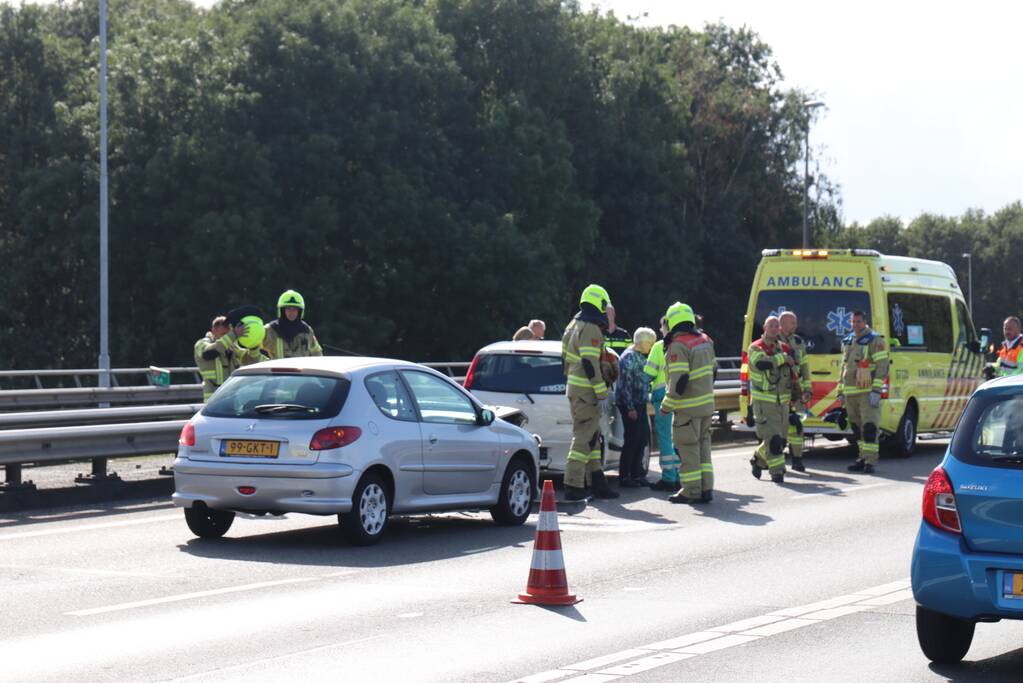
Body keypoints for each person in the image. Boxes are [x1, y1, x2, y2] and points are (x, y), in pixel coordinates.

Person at [562, 284, 618, 501]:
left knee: (592, 438)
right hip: (587, 390)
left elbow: (566, 360)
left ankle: (597, 483)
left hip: (576, 389)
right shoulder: (591, 327)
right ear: (600, 304)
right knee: (584, 437)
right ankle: (573, 484)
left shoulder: (573, 325)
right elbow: (589, 362)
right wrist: (601, 392)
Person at [660, 303, 717, 504]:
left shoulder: (678, 345)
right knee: (703, 447)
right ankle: (707, 488)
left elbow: (679, 380)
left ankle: (691, 490)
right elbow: (714, 371)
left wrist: (667, 405)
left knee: (688, 448)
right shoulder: (705, 340)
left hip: (688, 409)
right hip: (707, 406)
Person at [747, 315, 797, 483]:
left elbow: (793, 369)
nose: (775, 328)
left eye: (777, 326)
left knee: (781, 439)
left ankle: (758, 459)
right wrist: (783, 358)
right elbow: (762, 364)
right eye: (771, 325)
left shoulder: (783, 347)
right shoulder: (755, 347)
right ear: (764, 328)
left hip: (782, 401)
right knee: (774, 440)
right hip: (764, 402)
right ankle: (777, 472)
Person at [839, 310, 889, 473]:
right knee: (856, 428)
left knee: (869, 427)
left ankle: (870, 461)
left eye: (858, 321)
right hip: (850, 393)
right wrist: (840, 391)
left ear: (865, 322)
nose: (855, 325)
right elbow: (843, 368)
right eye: (853, 322)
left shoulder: (875, 340)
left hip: (867, 392)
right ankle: (861, 457)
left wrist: (876, 390)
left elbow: (882, 366)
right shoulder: (848, 340)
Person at [616, 327, 656, 487]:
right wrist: (630, 407)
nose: (652, 346)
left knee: (642, 437)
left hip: (639, 402)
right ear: (642, 342)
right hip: (629, 404)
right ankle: (625, 476)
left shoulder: (639, 356)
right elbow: (624, 384)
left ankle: (637, 474)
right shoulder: (629, 357)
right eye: (650, 343)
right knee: (632, 439)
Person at [645, 317, 681, 491]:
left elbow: (648, 374)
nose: (660, 330)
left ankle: (668, 478)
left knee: (666, 439)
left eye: (661, 327)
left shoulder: (659, 347)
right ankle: (680, 476)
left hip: (663, 399)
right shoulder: (685, 345)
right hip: (682, 399)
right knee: (679, 440)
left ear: (666, 327)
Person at [779, 311, 812, 472]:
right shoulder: (772, 340)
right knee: (780, 427)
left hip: (795, 391)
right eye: (793, 323)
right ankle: (775, 462)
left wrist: (807, 390)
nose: (796, 326)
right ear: (783, 323)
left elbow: (805, 368)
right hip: (778, 392)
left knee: (797, 426)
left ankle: (797, 459)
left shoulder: (798, 342)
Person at [263, 290, 324, 359]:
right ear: (282, 311)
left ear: (300, 311)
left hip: (303, 369)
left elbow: (317, 352)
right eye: (288, 308)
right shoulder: (271, 330)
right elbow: (253, 345)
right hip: (280, 369)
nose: (292, 312)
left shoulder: (306, 330)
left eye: (295, 309)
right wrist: (265, 362)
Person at [194, 316, 230, 401]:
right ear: (214, 330)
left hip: (229, 395)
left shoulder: (230, 346)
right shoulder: (201, 344)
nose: (226, 337)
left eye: (228, 334)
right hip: (212, 397)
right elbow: (208, 354)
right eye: (223, 334)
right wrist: (230, 339)